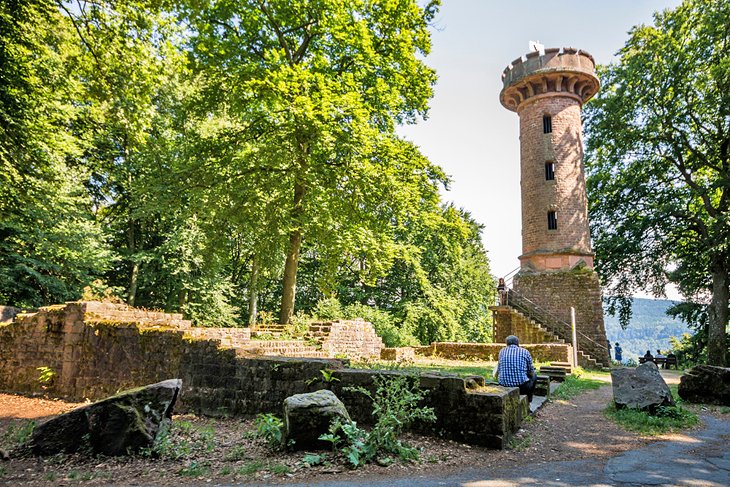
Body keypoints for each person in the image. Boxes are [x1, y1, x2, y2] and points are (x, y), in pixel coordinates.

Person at [497, 335, 537, 403]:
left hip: (503, 384)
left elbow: (499, 369)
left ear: (507, 343)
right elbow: (530, 370)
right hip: (521, 387)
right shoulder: (525, 351)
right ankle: (529, 400)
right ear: (518, 343)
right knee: (534, 376)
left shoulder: (502, 351)